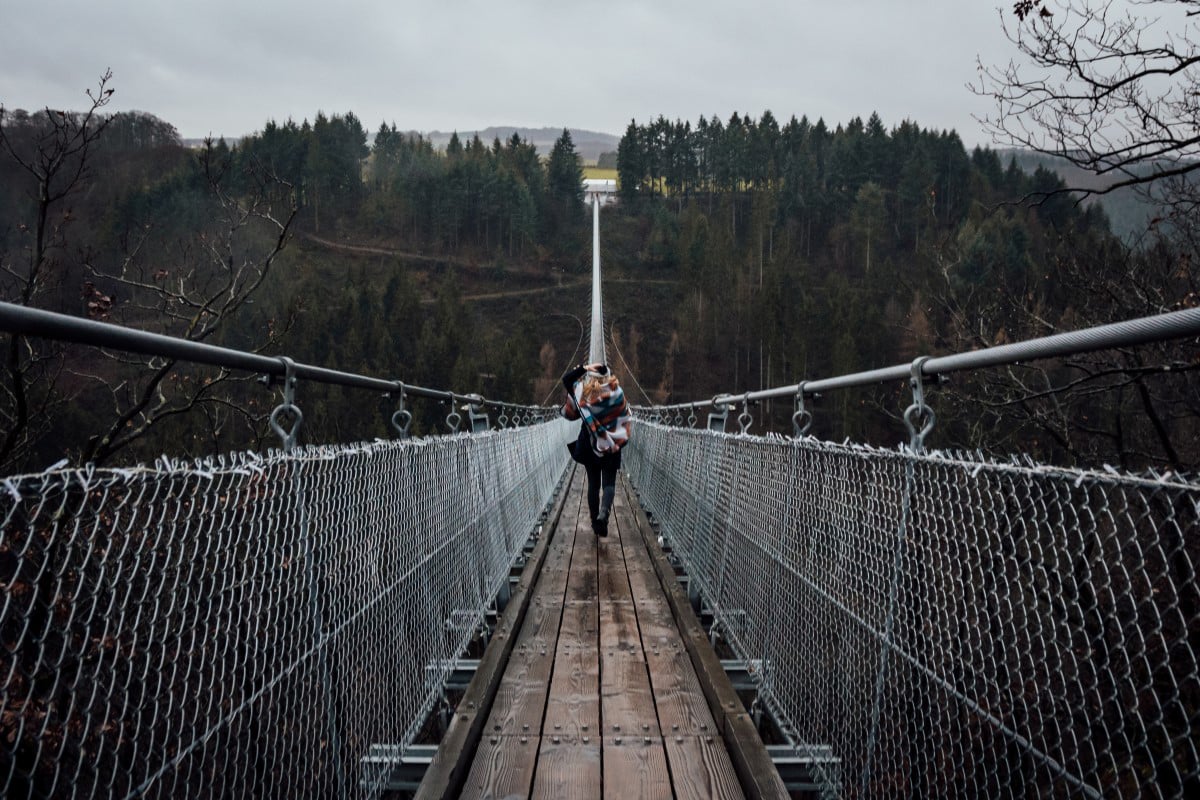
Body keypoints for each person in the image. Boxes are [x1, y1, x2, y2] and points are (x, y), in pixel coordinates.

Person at [561, 362, 632, 536]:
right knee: (609, 483)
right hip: (612, 445)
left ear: (591, 377)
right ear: (608, 376)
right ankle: (603, 516)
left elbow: (567, 379)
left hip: (590, 444)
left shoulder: (584, 394)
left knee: (593, 484)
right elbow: (625, 417)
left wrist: (585, 368)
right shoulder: (617, 393)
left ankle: (594, 522)